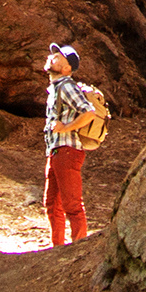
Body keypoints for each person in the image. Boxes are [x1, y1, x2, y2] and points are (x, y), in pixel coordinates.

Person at [41, 42, 100, 245]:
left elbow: (89, 112)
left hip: (68, 151)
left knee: (72, 205)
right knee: (51, 203)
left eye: (58, 57)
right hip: (57, 151)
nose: (52, 58)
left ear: (67, 69)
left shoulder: (66, 86)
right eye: (53, 55)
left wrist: (65, 128)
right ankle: (56, 250)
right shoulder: (56, 88)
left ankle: (79, 247)